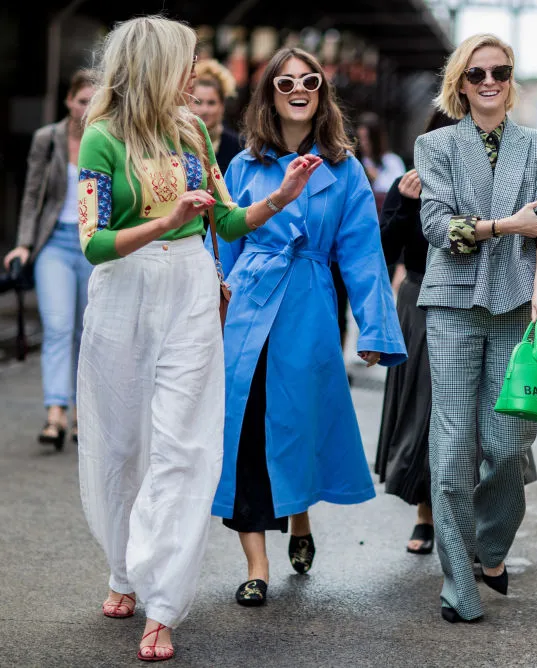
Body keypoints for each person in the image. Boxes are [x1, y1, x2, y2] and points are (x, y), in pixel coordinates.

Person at [75, 16, 321, 661]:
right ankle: (125, 570)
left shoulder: (192, 135)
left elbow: (230, 220)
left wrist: (281, 197)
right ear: (157, 66)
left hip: (187, 289)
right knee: (123, 443)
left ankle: (163, 604)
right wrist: (165, 222)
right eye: (186, 62)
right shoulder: (100, 140)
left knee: (182, 446)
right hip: (124, 294)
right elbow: (94, 244)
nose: (195, 74)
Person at [209, 46, 406, 608]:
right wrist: (208, 309)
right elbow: (220, 245)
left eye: (310, 81)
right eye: (285, 82)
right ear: (269, 92)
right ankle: (256, 565)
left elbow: (364, 254)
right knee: (244, 429)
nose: (298, 90)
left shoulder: (344, 170)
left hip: (309, 308)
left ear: (322, 93)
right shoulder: (244, 165)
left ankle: (299, 517)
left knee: (296, 422)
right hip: (248, 307)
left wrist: (375, 329)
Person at [414, 33, 537, 624]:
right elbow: (439, 227)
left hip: (516, 307)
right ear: (459, 83)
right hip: (452, 305)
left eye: (499, 72)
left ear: (511, 81)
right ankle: (460, 582)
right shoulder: (434, 145)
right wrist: (510, 224)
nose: (488, 81)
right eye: (476, 73)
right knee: (453, 447)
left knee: (508, 445)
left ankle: (490, 544)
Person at [375, 109, 457, 555]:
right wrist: (406, 204)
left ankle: (477, 518)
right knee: (426, 409)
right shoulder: (411, 182)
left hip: (477, 301)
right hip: (422, 296)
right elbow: (384, 250)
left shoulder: (493, 179)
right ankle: (425, 514)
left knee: (481, 418)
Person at [4, 69, 95, 449]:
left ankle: (82, 413)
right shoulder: (48, 139)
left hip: (94, 245)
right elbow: (32, 195)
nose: (87, 109)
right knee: (57, 327)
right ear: (68, 101)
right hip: (54, 244)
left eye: (95, 102)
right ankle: (55, 411)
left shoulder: (107, 139)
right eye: (82, 101)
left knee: (87, 331)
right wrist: (24, 243)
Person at [189, 58, 244, 173]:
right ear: (188, 103)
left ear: (222, 105)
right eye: (198, 102)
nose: (205, 110)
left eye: (211, 103)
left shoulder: (239, 146)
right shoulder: (178, 142)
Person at [356, 111, 406, 211]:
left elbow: (397, 190)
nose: (362, 143)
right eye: (359, 138)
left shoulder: (392, 160)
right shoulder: (357, 162)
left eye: (366, 139)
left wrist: (376, 177)